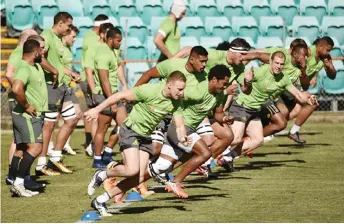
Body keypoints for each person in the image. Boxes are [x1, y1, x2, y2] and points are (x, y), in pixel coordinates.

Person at [85, 71, 187, 216]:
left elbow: (180, 125)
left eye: (183, 89)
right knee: (132, 170)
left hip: (145, 136)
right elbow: (119, 96)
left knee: (138, 178)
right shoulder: (149, 90)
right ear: (169, 85)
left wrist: (183, 137)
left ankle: (101, 200)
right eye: (180, 89)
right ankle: (102, 174)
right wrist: (96, 109)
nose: (182, 93)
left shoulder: (177, 101)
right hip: (130, 130)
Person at [148, 65, 233, 198]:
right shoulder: (197, 91)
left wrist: (226, 118)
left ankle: (117, 184)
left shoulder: (219, 94)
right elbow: (174, 96)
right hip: (178, 129)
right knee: (205, 153)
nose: (225, 87)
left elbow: (218, 115)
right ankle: (176, 182)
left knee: (160, 167)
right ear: (214, 80)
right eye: (224, 83)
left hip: (188, 131)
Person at [227, 51, 317, 162]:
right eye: (276, 63)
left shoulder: (283, 78)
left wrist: (308, 100)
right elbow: (244, 86)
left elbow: (298, 94)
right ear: (270, 62)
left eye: (281, 64)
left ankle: (227, 157)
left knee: (258, 140)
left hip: (255, 111)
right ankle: (213, 149)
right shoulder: (260, 72)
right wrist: (247, 80)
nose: (279, 66)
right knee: (235, 139)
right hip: (242, 107)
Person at [39, 12, 80, 174]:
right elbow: (40, 58)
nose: (70, 29)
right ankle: (41, 164)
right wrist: (54, 72)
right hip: (51, 86)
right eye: (69, 26)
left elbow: (56, 62)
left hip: (62, 85)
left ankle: (55, 157)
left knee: (73, 117)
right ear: (61, 23)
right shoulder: (46, 36)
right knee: (49, 124)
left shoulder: (57, 39)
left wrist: (69, 73)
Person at [10, 39, 47, 197]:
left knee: (21, 150)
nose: (43, 52)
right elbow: (16, 88)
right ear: (35, 52)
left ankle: (13, 179)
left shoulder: (35, 66)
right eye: (41, 50)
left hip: (27, 115)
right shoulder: (24, 67)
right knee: (36, 147)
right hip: (26, 115)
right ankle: (19, 184)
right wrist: (27, 106)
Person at [91, 26, 128, 168]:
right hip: (105, 95)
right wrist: (110, 100)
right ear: (110, 39)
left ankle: (108, 151)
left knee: (124, 125)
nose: (120, 43)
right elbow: (103, 79)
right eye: (118, 41)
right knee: (103, 128)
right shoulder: (103, 54)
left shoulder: (114, 51)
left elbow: (118, 68)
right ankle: (97, 158)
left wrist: (124, 85)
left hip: (115, 94)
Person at [288, 36, 336, 143]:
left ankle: (262, 130)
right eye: (327, 50)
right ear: (320, 46)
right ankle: (292, 132)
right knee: (311, 102)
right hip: (290, 85)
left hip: (299, 88)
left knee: (293, 112)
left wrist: (329, 67)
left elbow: (332, 76)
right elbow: (291, 59)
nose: (328, 52)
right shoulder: (307, 51)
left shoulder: (325, 58)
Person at [5, 28, 38, 185]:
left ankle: (16, 174)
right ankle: (14, 174)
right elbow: (9, 73)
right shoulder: (18, 53)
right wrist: (21, 93)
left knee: (21, 140)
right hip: (19, 101)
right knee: (18, 140)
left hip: (20, 100)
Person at [83, 22, 115, 158]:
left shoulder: (112, 49)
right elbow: (89, 71)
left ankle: (99, 148)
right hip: (98, 90)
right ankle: (95, 147)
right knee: (98, 120)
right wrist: (93, 90)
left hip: (110, 90)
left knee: (105, 123)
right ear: (102, 34)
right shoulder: (93, 48)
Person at [58, 25, 83, 155]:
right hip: (57, 87)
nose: (74, 39)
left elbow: (65, 67)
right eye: (73, 37)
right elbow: (56, 66)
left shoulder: (68, 49)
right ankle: (53, 148)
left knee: (78, 113)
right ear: (65, 35)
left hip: (67, 86)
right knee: (51, 120)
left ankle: (64, 143)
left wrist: (73, 74)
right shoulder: (57, 48)